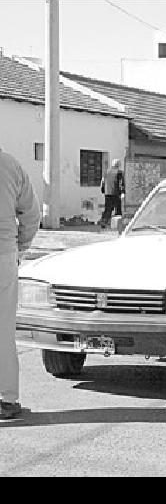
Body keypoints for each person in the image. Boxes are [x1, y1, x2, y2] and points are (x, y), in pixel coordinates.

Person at [0, 144, 41, 420]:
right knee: (3, 330)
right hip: (3, 254)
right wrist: (20, 247)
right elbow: (32, 214)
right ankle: (7, 399)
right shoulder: (10, 165)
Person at [99, 159, 125, 228]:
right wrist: (122, 192)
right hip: (116, 193)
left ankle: (103, 222)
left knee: (108, 208)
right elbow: (121, 183)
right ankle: (117, 224)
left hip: (107, 193)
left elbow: (102, 182)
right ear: (119, 165)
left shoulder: (106, 172)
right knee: (118, 209)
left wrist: (103, 190)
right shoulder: (120, 172)